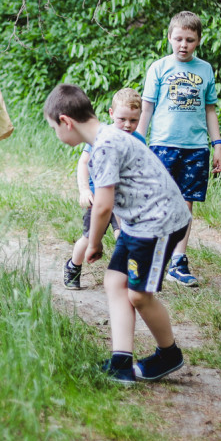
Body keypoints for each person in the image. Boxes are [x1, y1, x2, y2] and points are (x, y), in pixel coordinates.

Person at [44, 84, 191, 385]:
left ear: (66, 122)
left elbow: (103, 206)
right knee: (114, 281)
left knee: (138, 295)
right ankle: (121, 363)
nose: (56, 136)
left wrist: (94, 243)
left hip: (158, 224)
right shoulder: (107, 139)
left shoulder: (105, 146)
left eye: (53, 129)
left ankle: (169, 354)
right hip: (139, 223)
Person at [136, 11, 221, 287]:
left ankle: (178, 261)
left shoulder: (205, 69)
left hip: (196, 148)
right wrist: (138, 140)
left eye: (190, 40)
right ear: (170, 38)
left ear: (198, 41)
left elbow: (210, 110)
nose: (183, 45)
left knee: (185, 203)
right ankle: (150, 255)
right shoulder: (159, 67)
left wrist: (217, 145)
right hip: (163, 144)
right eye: (178, 39)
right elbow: (147, 107)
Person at [64, 87, 147, 290]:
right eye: (122, 119)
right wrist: (84, 190)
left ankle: (126, 278)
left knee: (124, 236)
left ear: (140, 118)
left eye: (133, 121)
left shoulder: (139, 141)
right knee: (90, 237)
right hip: (98, 198)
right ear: (111, 113)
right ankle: (73, 266)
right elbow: (84, 163)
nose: (127, 125)